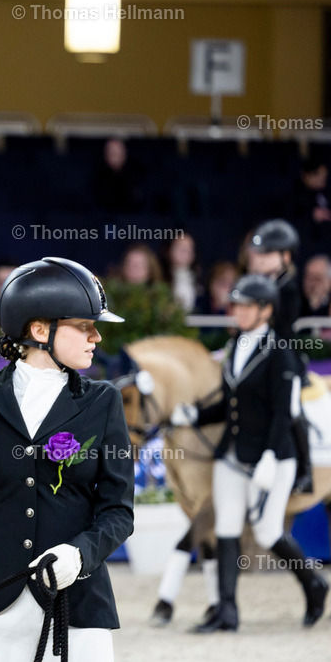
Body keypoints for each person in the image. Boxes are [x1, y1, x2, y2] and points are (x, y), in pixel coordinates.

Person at [0, 257, 133, 661]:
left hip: (78, 600)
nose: (97, 337)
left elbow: (119, 512)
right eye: (85, 326)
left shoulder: (104, 402)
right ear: (39, 330)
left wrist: (79, 555)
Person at [171, 275, 329, 632]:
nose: (237, 312)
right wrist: (195, 414)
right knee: (226, 526)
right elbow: (231, 403)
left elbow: (283, 412)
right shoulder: (236, 346)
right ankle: (228, 612)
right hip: (232, 453)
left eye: (245, 306)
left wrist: (271, 457)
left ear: (266, 310)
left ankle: (314, 583)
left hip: (274, 456)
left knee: (268, 531)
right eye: (235, 305)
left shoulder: (281, 353)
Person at [247, 218, 312, 493]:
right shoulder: (257, 285)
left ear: (285, 256)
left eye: (267, 255)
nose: (260, 261)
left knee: (292, 408)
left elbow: (282, 330)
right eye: (258, 254)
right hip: (260, 356)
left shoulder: (289, 288)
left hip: (285, 359)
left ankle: (305, 469)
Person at [162, 233, 201, 313]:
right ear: (169, 250)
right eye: (179, 247)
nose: (184, 252)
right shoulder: (160, 279)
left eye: (188, 248)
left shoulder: (200, 281)